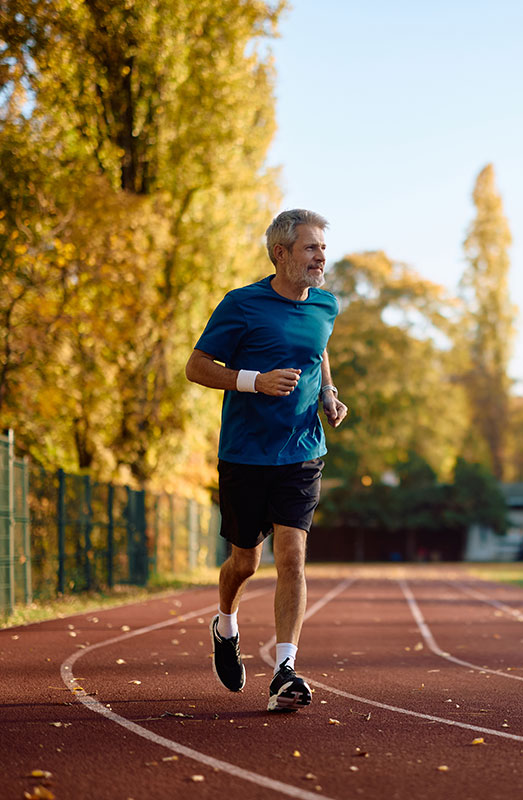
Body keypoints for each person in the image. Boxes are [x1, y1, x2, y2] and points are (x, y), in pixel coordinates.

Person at [185, 209, 348, 712]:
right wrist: (255, 380)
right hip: (245, 453)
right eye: (310, 248)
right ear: (281, 253)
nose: (320, 256)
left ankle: (285, 669)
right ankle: (225, 625)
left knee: (292, 557)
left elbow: (317, 350)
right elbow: (197, 367)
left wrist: (328, 394)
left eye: (323, 247)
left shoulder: (326, 305)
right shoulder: (242, 304)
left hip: (301, 452)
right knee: (245, 561)